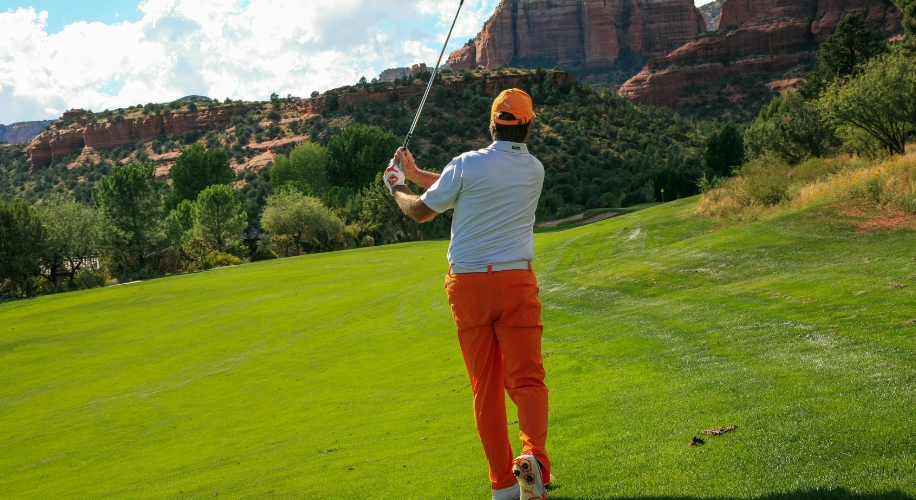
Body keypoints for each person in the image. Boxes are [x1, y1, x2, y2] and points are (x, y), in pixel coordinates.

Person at [383, 89, 552, 500]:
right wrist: (418, 172)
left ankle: (504, 486)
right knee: (527, 380)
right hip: (516, 282)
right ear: (528, 126)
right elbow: (456, 187)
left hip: (469, 286)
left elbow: (423, 209)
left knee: (486, 387)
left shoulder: (465, 165)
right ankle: (534, 462)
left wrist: (396, 185)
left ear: (491, 123)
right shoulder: (534, 169)